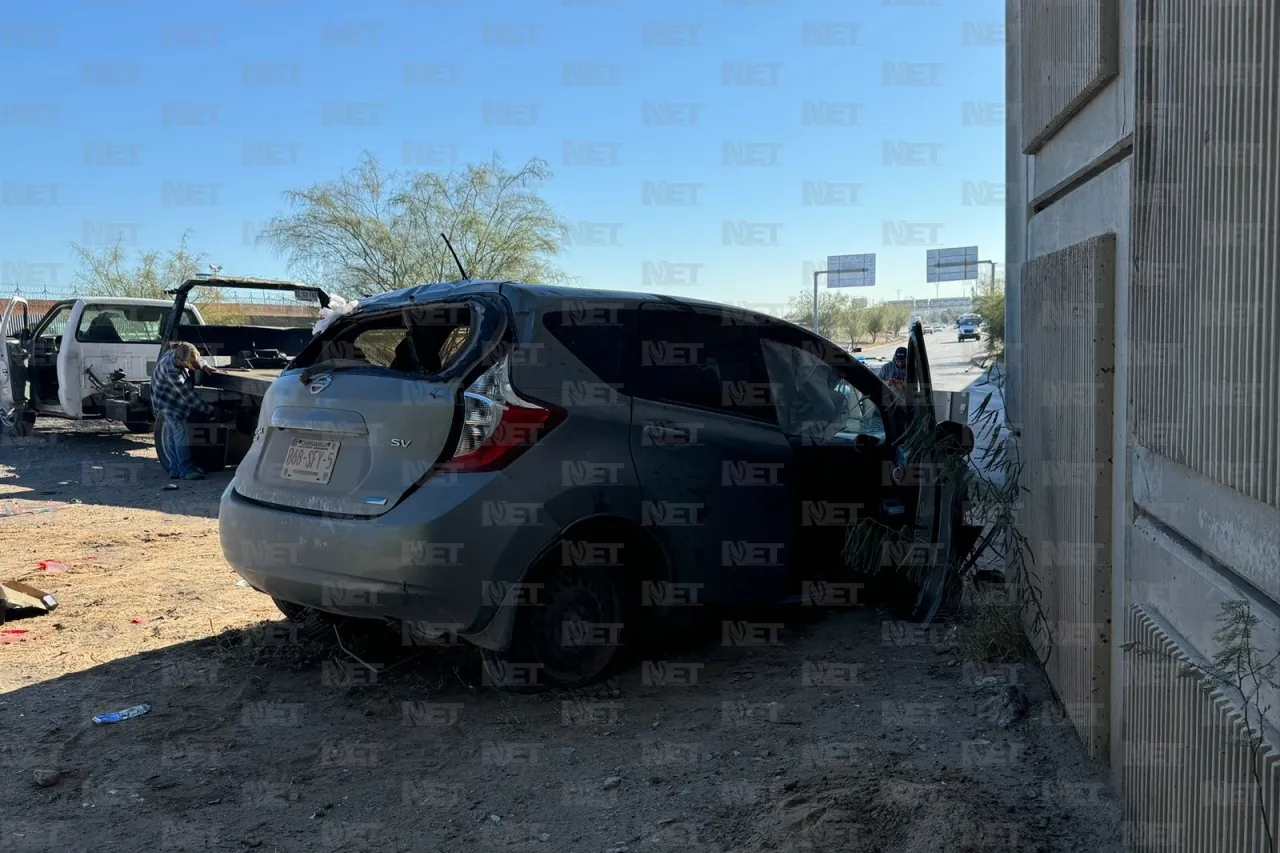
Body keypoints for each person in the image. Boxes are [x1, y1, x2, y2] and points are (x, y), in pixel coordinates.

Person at [151, 341, 218, 481]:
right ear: (181, 361)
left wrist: (204, 365)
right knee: (180, 435)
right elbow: (189, 396)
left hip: (163, 400)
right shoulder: (172, 371)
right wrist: (209, 410)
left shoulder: (177, 351)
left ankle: (174, 469)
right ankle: (185, 470)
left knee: (171, 435)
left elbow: (195, 357)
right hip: (168, 403)